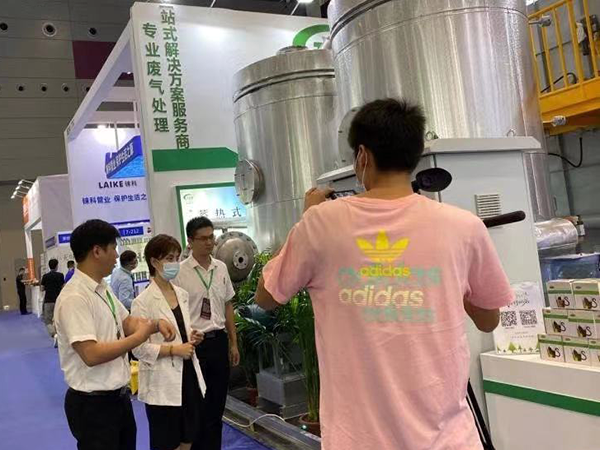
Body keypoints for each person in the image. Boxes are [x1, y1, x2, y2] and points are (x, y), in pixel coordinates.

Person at [255, 99, 514, 450]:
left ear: (362, 156)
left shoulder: (321, 223)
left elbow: (266, 297)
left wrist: (306, 219)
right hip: (449, 441)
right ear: (414, 154)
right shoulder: (464, 226)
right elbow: (488, 320)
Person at [54, 219, 177, 450]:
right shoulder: (74, 297)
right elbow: (91, 354)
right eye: (113, 248)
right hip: (93, 405)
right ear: (97, 251)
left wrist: (155, 324)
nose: (117, 255)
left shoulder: (102, 288)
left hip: (118, 398)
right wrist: (139, 338)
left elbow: (127, 321)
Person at [132, 234, 207, 450]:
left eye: (177, 258)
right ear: (154, 262)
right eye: (169, 258)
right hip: (162, 381)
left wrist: (193, 337)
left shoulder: (182, 294)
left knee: (188, 437)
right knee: (167, 441)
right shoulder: (142, 302)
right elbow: (138, 349)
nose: (175, 263)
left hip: (189, 374)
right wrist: (174, 350)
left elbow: (182, 329)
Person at [173, 217, 239, 450]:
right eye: (203, 238)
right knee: (196, 407)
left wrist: (233, 342)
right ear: (190, 241)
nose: (209, 242)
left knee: (217, 405)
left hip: (218, 341)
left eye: (211, 237)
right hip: (194, 346)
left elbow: (228, 305)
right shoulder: (179, 273)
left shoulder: (221, 268)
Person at [40, 259, 65, 337]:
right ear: (57, 266)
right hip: (58, 300)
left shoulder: (45, 276)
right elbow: (63, 287)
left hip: (48, 300)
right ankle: (61, 333)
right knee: (60, 318)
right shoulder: (60, 275)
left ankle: (53, 334)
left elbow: (42, 288)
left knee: (48, 320)